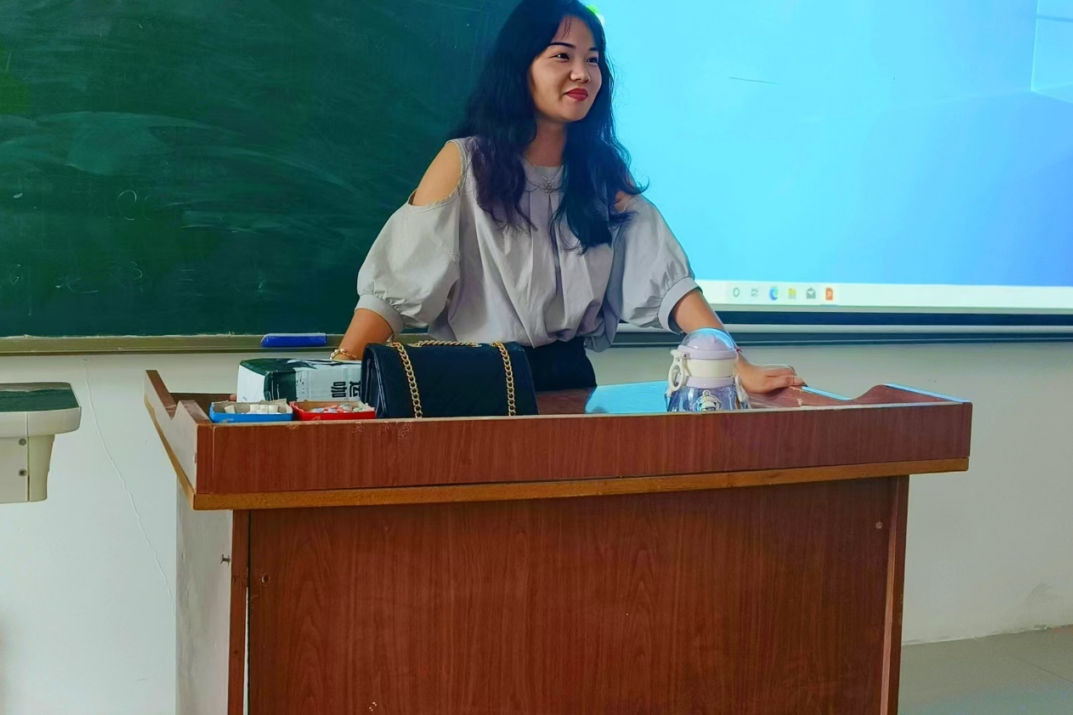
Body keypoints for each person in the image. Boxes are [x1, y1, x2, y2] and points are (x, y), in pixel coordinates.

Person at [332, 0, 802, 393]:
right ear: (521, 67)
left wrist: (735, 364)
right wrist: (343, 373)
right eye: (562, 56)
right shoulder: (465, 161)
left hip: (572, 382)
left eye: (593, 59)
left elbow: (670, 281)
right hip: (482, 383)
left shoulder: (601, 173)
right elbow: (397, 287)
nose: (582, 73)